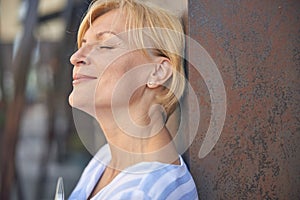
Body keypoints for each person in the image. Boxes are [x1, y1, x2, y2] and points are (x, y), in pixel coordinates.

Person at [68, 0, 198, 199]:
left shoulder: (146, 191)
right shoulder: (104, 161)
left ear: (158, 71)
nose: (76, 57)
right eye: (83, 45)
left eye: (106, 45)